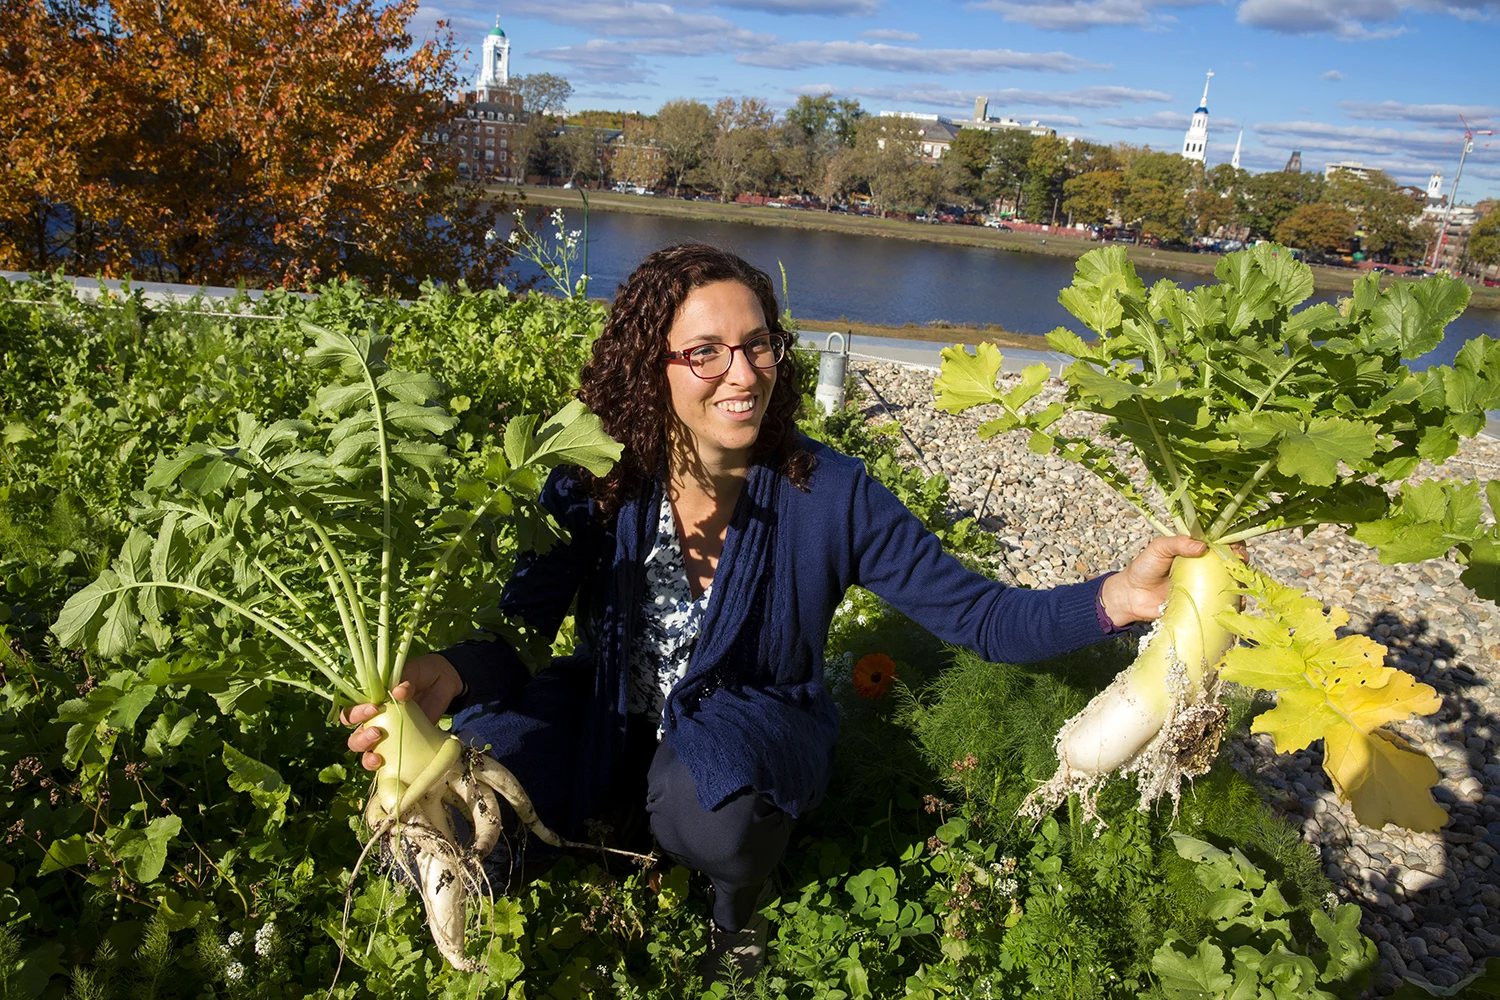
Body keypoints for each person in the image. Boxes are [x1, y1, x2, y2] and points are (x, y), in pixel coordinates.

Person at [343, 242, 1210, 978]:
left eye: (758, 347)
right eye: (706, 353)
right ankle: (597, 810)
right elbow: (521, 631)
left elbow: (980, 618)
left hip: (754, 717)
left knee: (707, 810)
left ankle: (734, 907)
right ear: (651, 366)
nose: (743, 374)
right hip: (605, 708)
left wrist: (1115, 598)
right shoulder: (593, 478)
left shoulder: (827, 493)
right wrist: (447, 674)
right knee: (452, 825)